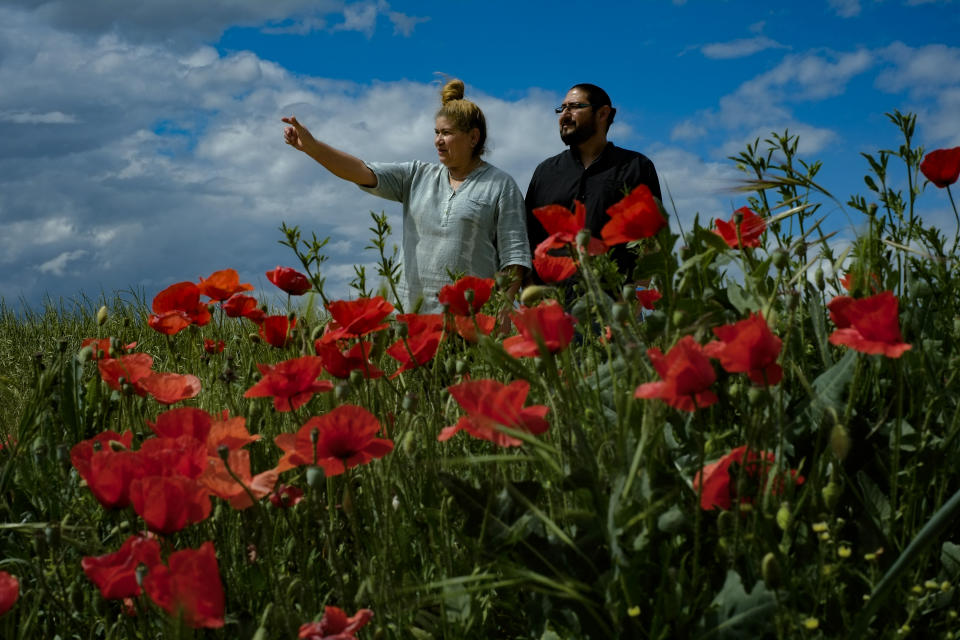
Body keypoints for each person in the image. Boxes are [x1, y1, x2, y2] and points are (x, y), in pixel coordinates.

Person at [282, 79, 531, 319]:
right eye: (436, 133)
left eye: (447, 133)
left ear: (473, 137)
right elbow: (359, 170)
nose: (438, 141)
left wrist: (504, 309)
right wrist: (312, 148)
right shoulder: (416, 176)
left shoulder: (501, 185)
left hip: (471, 324)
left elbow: (514, 256)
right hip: (411, 321)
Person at [525, 83, 662, 282]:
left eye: (573, 107)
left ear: (602, 113)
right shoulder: (545, 172)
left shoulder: (636, 167)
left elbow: (650, 241)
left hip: (616, 302)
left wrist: (634, 300)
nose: (564, 115)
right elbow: (528, 239)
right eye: (561, 109)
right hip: (554, 302)